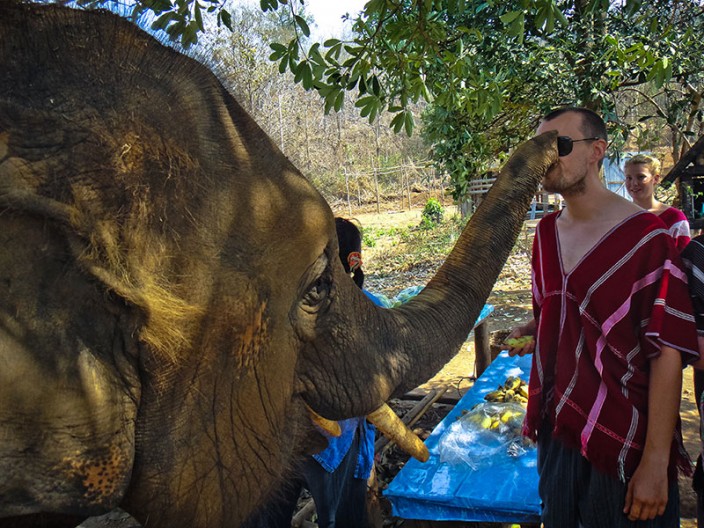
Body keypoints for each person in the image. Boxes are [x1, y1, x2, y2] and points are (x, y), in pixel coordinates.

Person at [505, 107, 699, 526]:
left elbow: (665, 352)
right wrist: (534, 328)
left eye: (559, 145)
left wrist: (655, 462)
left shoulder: (648, 238)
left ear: (597, 151)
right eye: (539, 147)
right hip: (558, 434)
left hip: (624, 442)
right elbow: (560, 315)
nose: (546, 157)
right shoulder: (544, 235)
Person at [625, 153, 691, 250]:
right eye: (629, 178)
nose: (634, 183)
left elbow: (683, 261)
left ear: (655, 179)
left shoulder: (674, 218)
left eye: (641, 177)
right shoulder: (619, 217)